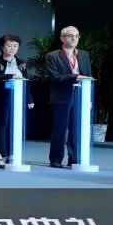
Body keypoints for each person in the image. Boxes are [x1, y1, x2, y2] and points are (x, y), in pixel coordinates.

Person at [46, 26, 93, 168]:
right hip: (62, 95)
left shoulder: (84, 55)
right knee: (59, 130)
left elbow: (88, 76)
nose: (74, 39)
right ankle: (55, 159)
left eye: (76, 36)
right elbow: (55, 77)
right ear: (62, 38)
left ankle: (74, 158)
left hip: (80, 95)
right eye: (70, 36)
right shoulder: (53, 56)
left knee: (77, 129)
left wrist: (89, 98)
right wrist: (75, 76)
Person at [0, 34, 35, 168]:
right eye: (9, 45)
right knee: (0, 126)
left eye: (15, 45)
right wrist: (11, 76)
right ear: (2, 47)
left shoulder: (22, 63)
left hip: (17, 98)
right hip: (1, 99)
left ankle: (11, 153)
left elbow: (26, 82)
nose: (12, 48)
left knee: (15, 126)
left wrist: (29, 99)